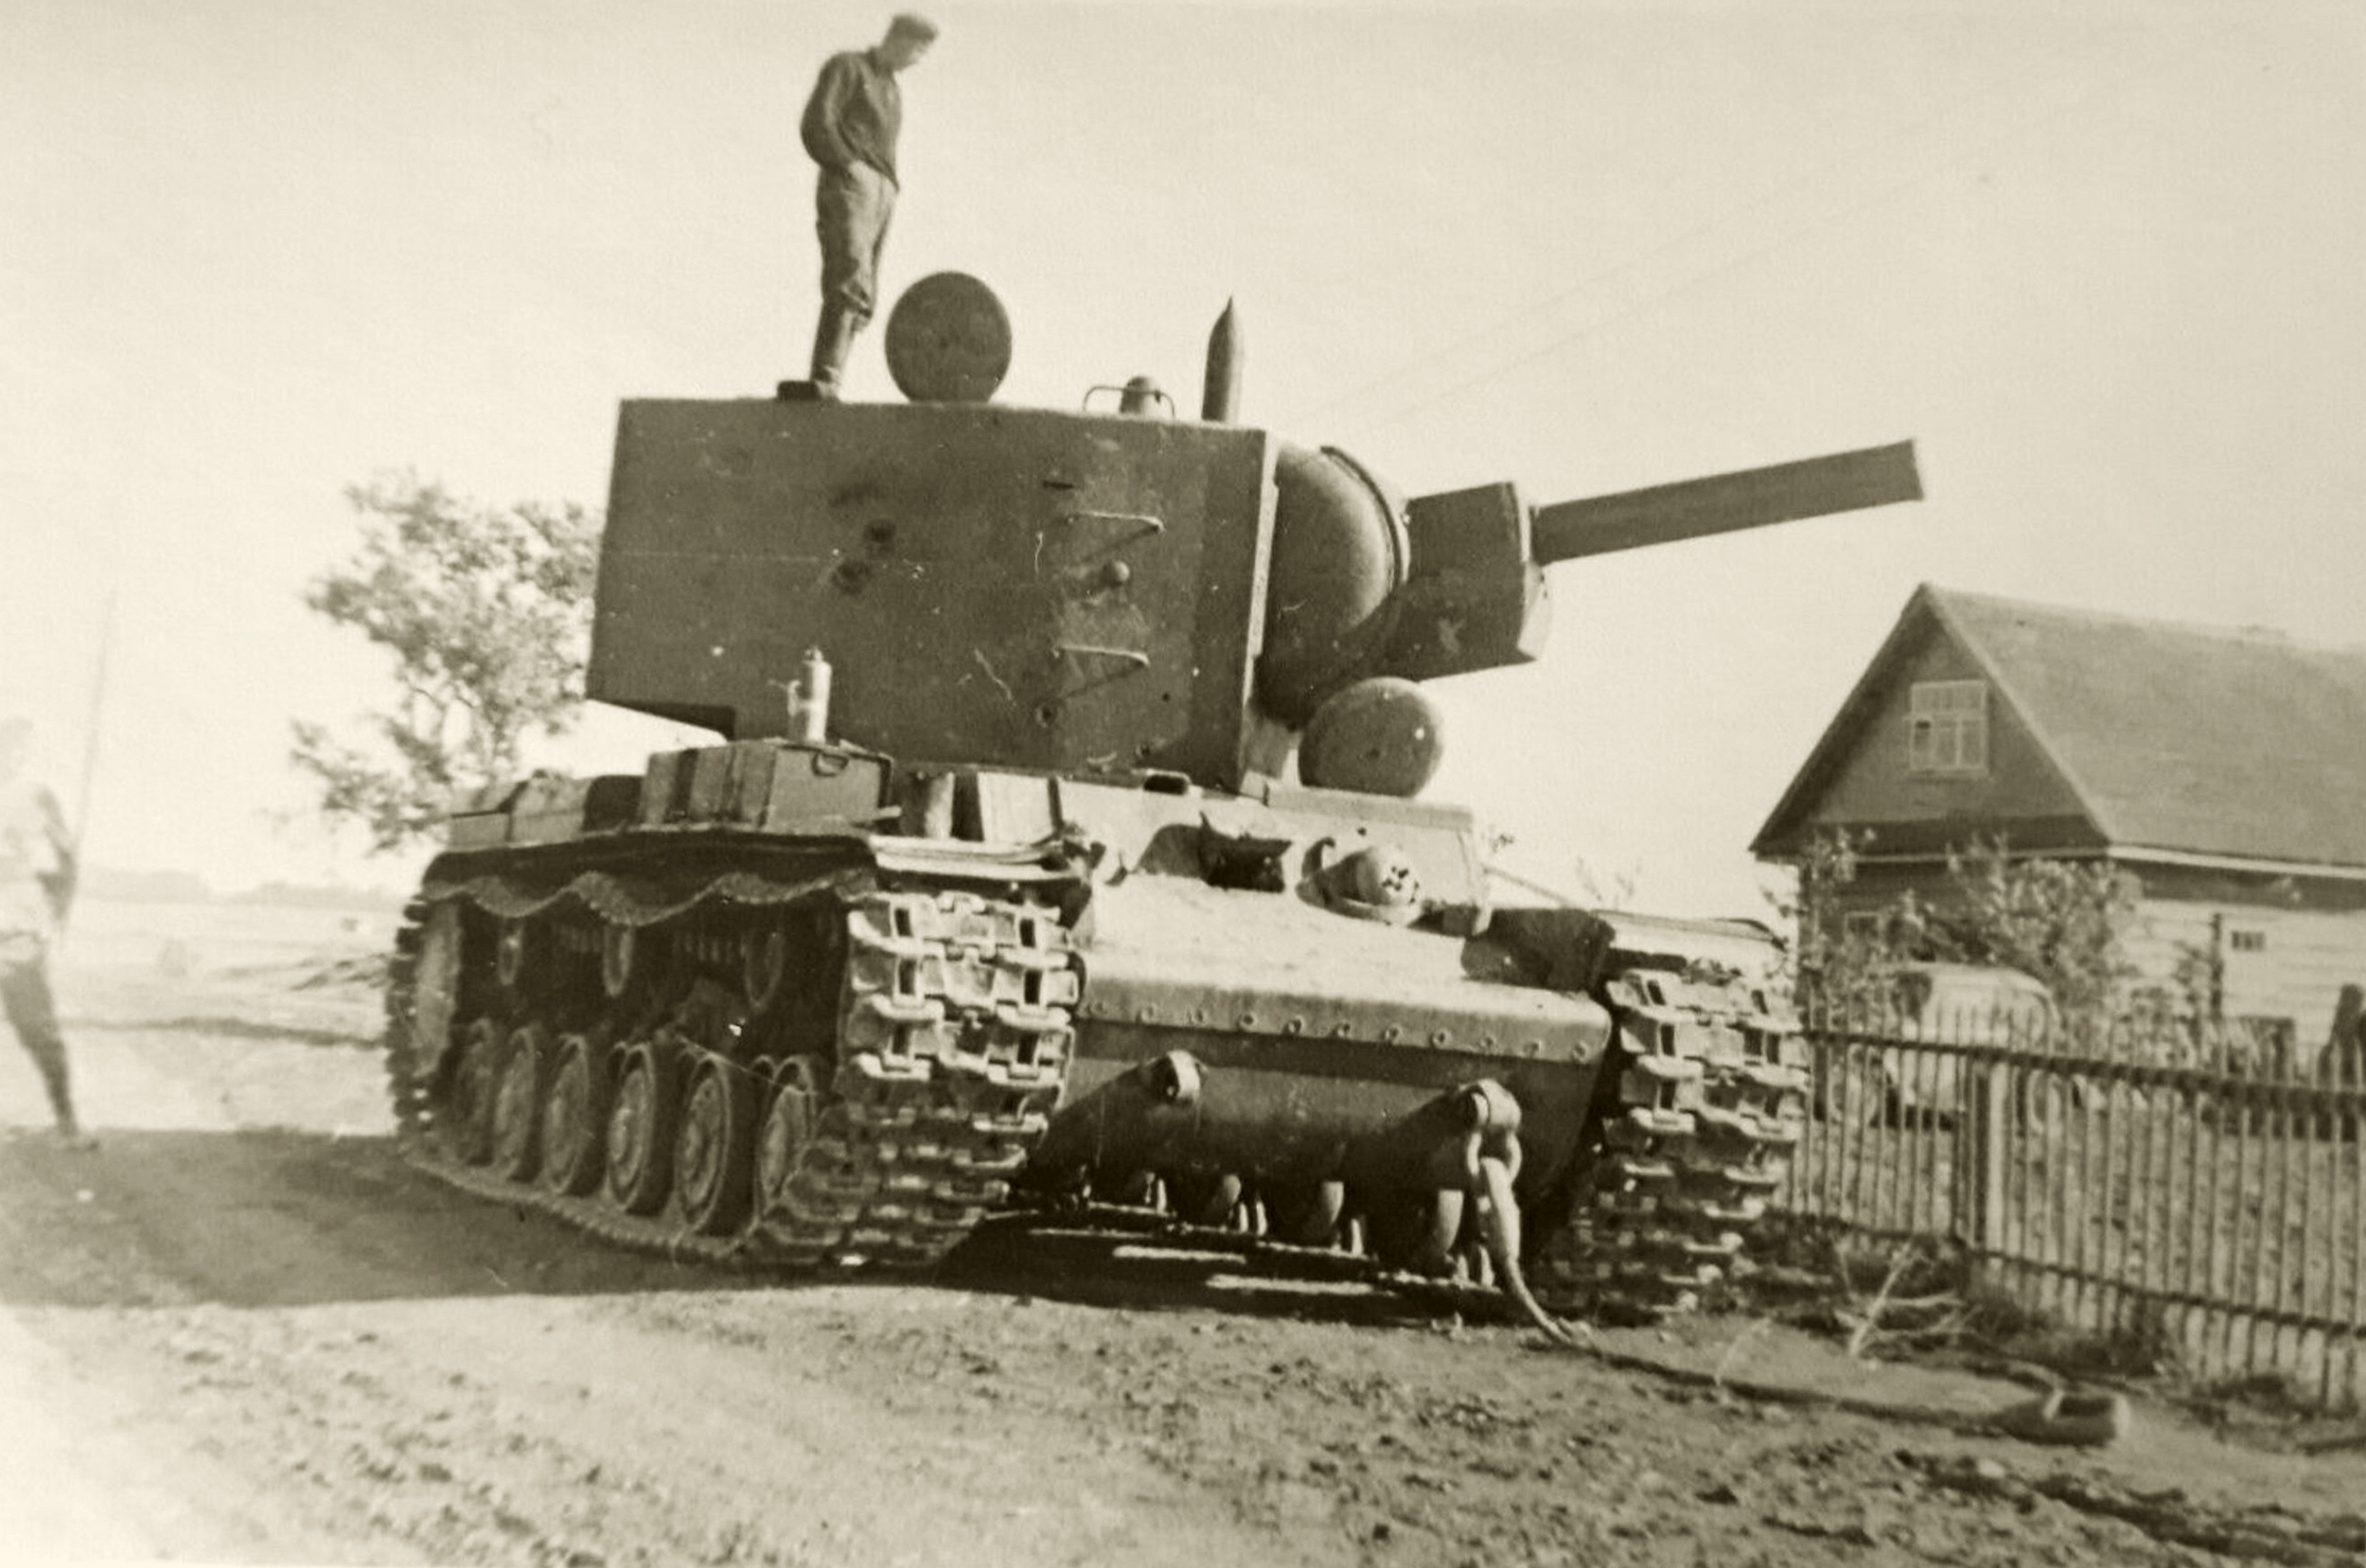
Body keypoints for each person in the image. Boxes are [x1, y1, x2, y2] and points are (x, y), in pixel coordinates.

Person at [780, 12, 938, 402]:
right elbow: (817, 120)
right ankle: (825, 375)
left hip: (883, 187)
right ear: (900, 40)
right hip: (853, 179)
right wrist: (847, 166)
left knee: (865, 289)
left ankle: (833, 380)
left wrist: (886, 188)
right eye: (917, 50)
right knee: (848, 274)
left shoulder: (892, 91)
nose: (917, 60)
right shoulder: (848, 67)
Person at [0, 717, 88, 1146]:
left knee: (38, 1030)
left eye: (14, 748)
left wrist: (57, 914)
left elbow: (66, 861)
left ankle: (67, 1122)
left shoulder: (35, 797)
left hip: (17, 933)